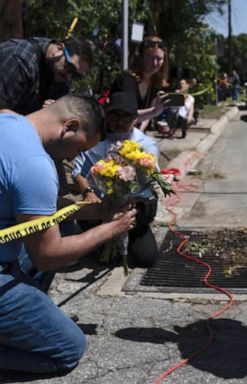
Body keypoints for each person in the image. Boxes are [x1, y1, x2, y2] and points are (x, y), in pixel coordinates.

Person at [0, 95, 137, 374]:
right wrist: (112, 228)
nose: (74, 157)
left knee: (33, 246)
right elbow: (48, 256)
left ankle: (22, 316)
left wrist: (96, 212)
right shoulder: (36, 165)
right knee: (67, 348)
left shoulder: (8, 119)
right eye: (81, 147)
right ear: (70, 126)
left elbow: (35, 210)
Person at [72, 90, 160, 268]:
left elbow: (152, 179)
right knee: (103, 258)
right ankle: (98, 233)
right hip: (101, 206)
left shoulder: (146, 144)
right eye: (114, 116)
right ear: (106, 116)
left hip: (134, 208)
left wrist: (129, 204)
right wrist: (88, 192)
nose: (119, 122)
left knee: (147, 259)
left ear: (135, 118)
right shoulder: (94, 139)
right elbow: (78, 172)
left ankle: (132, 233)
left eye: (125, 117)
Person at [0, 36, 93, 115]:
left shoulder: (60, 74)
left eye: (76, 75)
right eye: (70, 68)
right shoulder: (20, 58)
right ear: (58, 49)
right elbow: (2, 112)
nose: (69, 77)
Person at [110, 35, 169, 133]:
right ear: (140, 57)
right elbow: (125, 115)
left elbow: (147, 116)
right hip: (114, 133)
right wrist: (154, 112)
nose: (154, 63)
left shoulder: (155, 83)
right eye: (150, 58)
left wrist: (140, 133)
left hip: (134, 133)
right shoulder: (126, 80)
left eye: (159, 59)